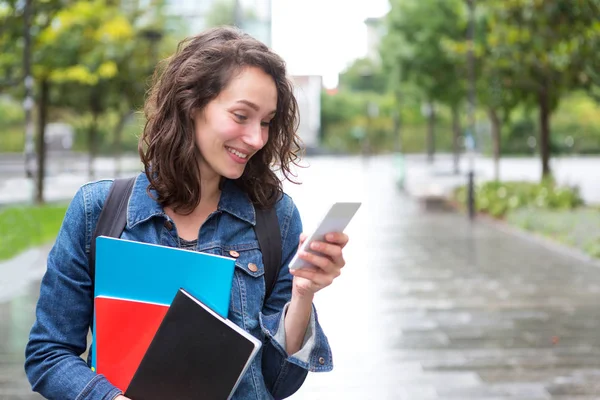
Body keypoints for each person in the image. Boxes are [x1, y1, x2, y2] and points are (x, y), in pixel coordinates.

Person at [24, 26, 349, 400]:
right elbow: (48, 355)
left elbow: (279, 382)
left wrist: (304, 295)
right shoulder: (97, 211)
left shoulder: (276, 218)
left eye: (266, 121)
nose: (258, 138)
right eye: (242, 116)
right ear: (191, 105)